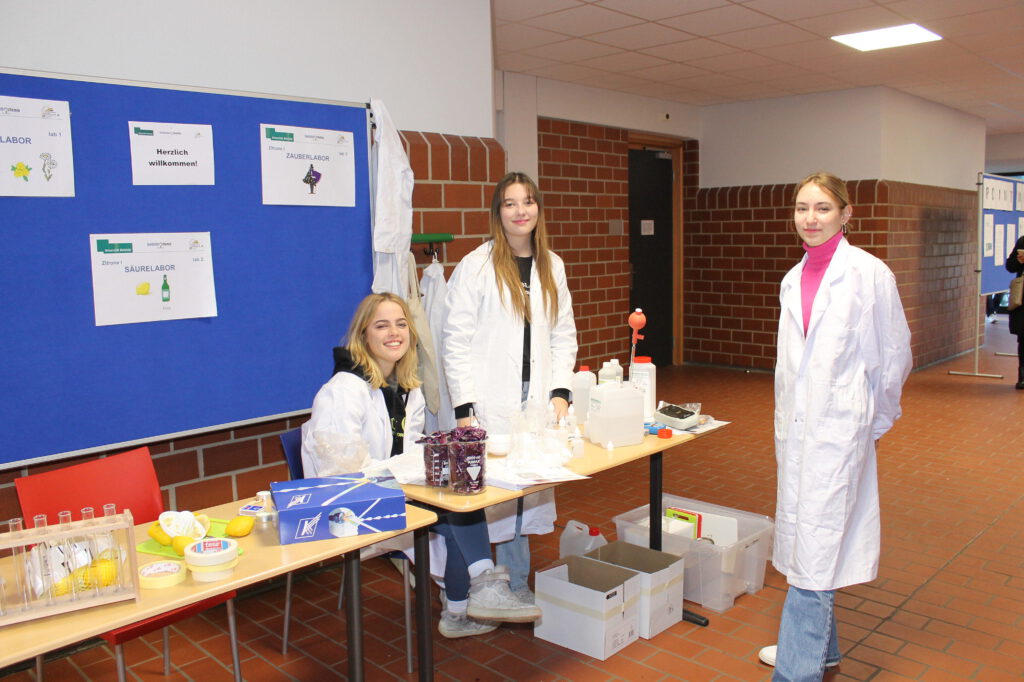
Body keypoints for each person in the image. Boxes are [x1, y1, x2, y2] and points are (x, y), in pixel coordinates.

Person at [301, 292, 540, 638]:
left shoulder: (404, 387)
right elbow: (342, 472)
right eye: (381, 325)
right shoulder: (343, 391)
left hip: (390, 489)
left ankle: (470, 598)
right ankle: (466, 603)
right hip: (348, 504)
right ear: (363, 334)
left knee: (462, 497)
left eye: (401, 324)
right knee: (458, 511)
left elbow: (409, 451)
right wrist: (414, 481)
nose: (393, 333)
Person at [760, 173, 912, 680]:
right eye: (802, 208)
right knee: (811, 541)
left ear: (846, 214)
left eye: (823, 208)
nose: (811, 218)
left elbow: (893, 357)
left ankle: (795, 670)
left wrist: (871, 419)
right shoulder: (792, 278)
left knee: (817, 548)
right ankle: (822, 651)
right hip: (799, 430)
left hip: (841, 429)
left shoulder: (869, 274)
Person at [442, 171, 578, 600]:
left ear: (539, 208)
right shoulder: (477, 265)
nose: (521, 211)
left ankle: (515, 584)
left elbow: (563, 334)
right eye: (510, 203)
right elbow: (455, 340)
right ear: (497, 213)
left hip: (535, 397)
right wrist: (464, 407)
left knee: (524, 492)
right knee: (484, 494)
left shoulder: (552, 265)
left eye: (528, 201)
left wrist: (560, 391)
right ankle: (467, 591)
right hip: (488, 398)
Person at [1007, 236, 1024, 389]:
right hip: (1023, 299)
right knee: (1023, 338)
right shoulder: (1023, 241)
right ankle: (1022, 377)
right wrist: (1019, 261)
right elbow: (1010, 266)